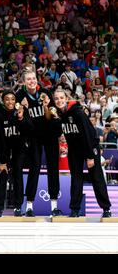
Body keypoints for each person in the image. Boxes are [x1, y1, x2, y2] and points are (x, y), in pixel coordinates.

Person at [53, 89, 112, 218]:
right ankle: (75, 209)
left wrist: (90, 156)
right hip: (74, 149)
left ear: (67, 98)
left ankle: (106, 208)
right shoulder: (59, 114)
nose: (59, 100)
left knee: (96, 177)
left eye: (61, 98)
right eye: (56, 98)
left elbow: (86, 134)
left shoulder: (78, 112)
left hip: (89, 146)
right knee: (76, 179)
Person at [16, 70, 63, 217]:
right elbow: (20, 121)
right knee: (34, 168)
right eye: (29, 79)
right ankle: (29, 206)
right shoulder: (19, 96)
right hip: (32, 137)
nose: (32, 81)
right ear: (23, 81)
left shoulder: (45, 93)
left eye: (34, 78)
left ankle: (54, 206)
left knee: (53, 169)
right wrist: (23, 108)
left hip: (49, 135)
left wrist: (46, 107)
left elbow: (52, 116)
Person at [0, 90, 33, 217]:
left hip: (19, 150)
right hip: (4, 150)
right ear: (3, 101)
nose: (10, 101)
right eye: (7, 99)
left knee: (18, 176)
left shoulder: (22, 111)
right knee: (2, 176)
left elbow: (30, 130)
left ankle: (17, 207)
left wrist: (21, 118)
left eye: (12, 99)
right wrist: (1, 159)